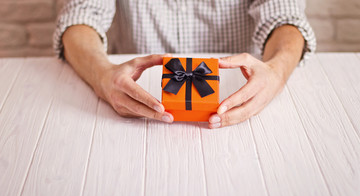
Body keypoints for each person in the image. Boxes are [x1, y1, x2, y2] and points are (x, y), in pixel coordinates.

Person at [54, 0, 316, 128]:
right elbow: (80, 15)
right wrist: (102, 75)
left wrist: (277, 71)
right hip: (134, 108)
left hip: (238, 97)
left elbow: (285, 14)